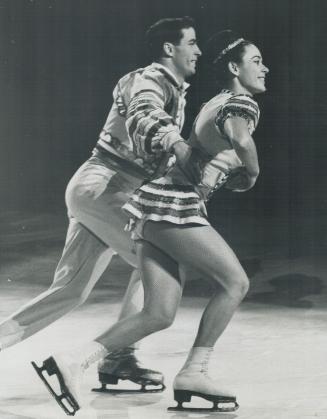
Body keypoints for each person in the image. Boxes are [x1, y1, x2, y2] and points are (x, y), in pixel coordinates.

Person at [31, 29, 268, 415]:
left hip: (150, 203)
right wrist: (254, 173)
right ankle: (194, 371)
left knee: (158, 312)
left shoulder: (214, 101)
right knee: (235, 281)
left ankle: (72, 361)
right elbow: (241, 141)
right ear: (233, 68)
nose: (265, 68)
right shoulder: (240, 103)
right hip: (172, 204)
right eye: (256, 61)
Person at [0, 16, 201, 395]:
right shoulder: (150, 79)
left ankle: (117, 359)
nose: (198, 50)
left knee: (70, 290)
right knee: (160, 258)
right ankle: (118, 355)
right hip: (107, 185)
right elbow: (145, 111)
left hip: (97, 188)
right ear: (168, 48)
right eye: (191, 43)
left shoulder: (172, 87)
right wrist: (176, 142)